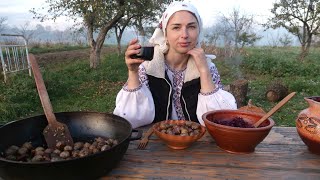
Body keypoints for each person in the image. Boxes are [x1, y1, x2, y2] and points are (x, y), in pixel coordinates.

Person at [113, 1, 237, 128]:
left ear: (199, 31)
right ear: (165, 33)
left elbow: (219, 120)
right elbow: (132, 118)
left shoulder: (208, 67)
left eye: (191, 27)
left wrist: (204, 71)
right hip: (155, 143)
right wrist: (133, 72)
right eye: (176, 27)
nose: (184, 35)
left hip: (197, 143)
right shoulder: (148, 67)